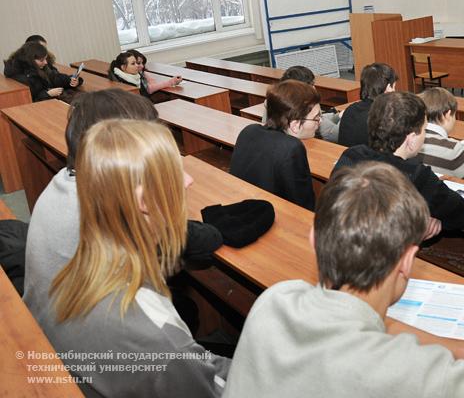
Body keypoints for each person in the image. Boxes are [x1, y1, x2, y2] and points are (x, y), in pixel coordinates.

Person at [223, 161, 464, 397]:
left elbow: (375, 325)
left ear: (314, 239)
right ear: (408, 260)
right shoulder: (422, 377)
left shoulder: (274, 302)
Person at [37, 119, 230, 397]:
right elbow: (217, 388)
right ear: (143, 200)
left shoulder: (75, 263)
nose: (188, 180)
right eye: (175, 172)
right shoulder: (158, 338)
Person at [24, 89, 223, 323]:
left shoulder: (65, 180)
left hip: (56, 314)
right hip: (87, 330)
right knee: (187, 306)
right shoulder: (105, 202)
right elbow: (192, 238)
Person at [334, 91, 464, 237]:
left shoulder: (351, 154)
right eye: (424, 130)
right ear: (412, 139)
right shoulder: (416, 175)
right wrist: (425, 222)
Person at [230, 80, 320, 211]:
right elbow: (303, 206)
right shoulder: (291, 148)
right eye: (316, 118)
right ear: (295, 125)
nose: (320, 121)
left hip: (242, 208)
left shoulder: (249, 130)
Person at [259, 65, 340, 142]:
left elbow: (317, 119)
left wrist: (336, 116)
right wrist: (346, 117)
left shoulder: (274, 100)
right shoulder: (304, 106)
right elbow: (334, 134)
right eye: (311, 85)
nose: (314, 88)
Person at [337, 62, 396, 147]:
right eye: (394, 87)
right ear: (388, 89)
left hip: (347, 157)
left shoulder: (350, 109)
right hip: (370, 159)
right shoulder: (384, 116)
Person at [3, 41, 82, 101]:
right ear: (30, 60)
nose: (46, 62)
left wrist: (71, 80)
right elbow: (29, 99)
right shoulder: (19, 75)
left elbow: (54, 78)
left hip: (51, 100)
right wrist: (47, 94)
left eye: (45, 59)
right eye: (42, 60)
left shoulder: (38, 66)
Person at [109, 50, 181, 97]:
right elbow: (147, 91)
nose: (138, 66)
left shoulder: (135, 76)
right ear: (123, 67)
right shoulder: (125, 83)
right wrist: (171, 82)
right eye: (133, 64)